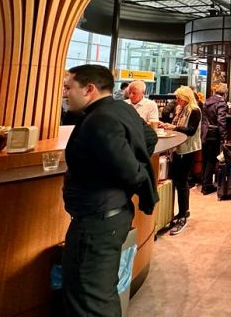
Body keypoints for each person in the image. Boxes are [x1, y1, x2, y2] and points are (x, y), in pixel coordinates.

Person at [61, 64, 158, 316]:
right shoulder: (121, 108)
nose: (64, 93)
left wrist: (115, 175)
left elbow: (129, 171)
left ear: (89, 89)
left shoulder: (98, 120)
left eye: (68, 87)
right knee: (99, 293)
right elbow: (149, 138)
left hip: (97, 223)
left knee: (91, 299)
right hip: (112, 216)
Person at [159, 86, 202, 234]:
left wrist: (174, 127)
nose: (177, 101)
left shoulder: (194, 111)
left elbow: (191, 130)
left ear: (186, 97)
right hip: (177, 149)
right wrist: (169, 126)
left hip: (187, 150)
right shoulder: (180, 109)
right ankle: (182, 211)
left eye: (179, 98)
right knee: (177, 181)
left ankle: (183, 214)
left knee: (182, 182)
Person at [201, 83, 227, 195]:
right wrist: (224, 136)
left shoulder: (207, 101)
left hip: (205, 133)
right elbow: (221, 121)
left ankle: (204, 183)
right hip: (214, 134)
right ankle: (207, 186)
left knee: (206, 159)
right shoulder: (221, 102)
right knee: (212, 160)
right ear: (225, 93)